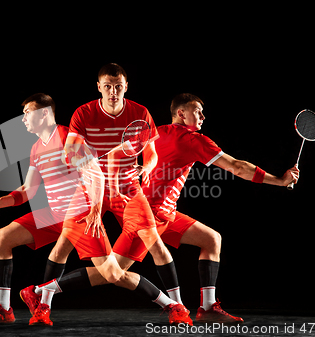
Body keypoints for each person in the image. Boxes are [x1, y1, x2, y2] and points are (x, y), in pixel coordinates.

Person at [20, 64, 192, 326]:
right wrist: (89, 168)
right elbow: (71, 150)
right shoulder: (84, 113)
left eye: (118, 86)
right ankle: (43, 307)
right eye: (108, 86)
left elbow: (152, 153)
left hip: (128, 189)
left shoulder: (140, 113)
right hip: (90, 191)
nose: (113, 91)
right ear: (99, 87)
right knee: (65, 241)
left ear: (126, 86)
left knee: (154, 241)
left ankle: (178, 306)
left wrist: (145, 167)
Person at [141, 93, 300, 323]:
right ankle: (174, 307)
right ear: (181, 113)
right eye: (197, 111)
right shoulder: (193, 140)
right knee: (113, 270)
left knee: (211, 240)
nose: (203, 116)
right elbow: (237, 167)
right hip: (148, 216)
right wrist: (279, 180)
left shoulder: (154, 132)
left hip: (157, 211)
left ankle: (206, 309)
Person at [0, 93, 88, 324]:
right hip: (54, 214)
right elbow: (28, 190)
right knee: (0, 238)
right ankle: (4, 310)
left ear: (44, 113)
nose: (23, 119)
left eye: (27, 113)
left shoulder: (69, 138)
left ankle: (43, 304)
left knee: (108, 271)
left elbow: (92, 176)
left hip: (79, 214)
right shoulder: (36, 148)